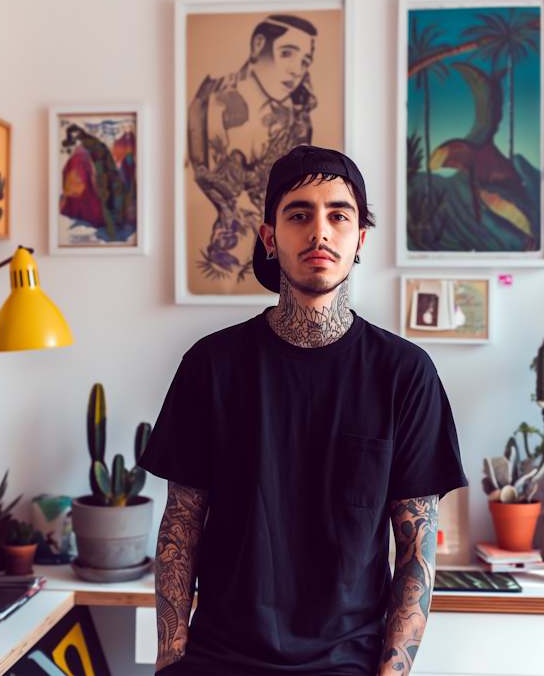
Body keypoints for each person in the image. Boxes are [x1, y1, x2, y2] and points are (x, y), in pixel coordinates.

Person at [139, 145, 467, 676]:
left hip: (346, 664)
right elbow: (180, 528)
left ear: (360, 239)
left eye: (339, 215)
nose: (320, 232)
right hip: (219, 660)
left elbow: (415, 550)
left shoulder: (404, 374)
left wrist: (391, 673)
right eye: (299, 214)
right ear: (269, 236)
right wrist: (170, 662)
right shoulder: (211, 366)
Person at [187, 14, 317, 281]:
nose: (297, 70)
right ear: (259, 46)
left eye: (305, 61)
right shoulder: (212, 103)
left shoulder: (299, 115)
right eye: (287, 53)